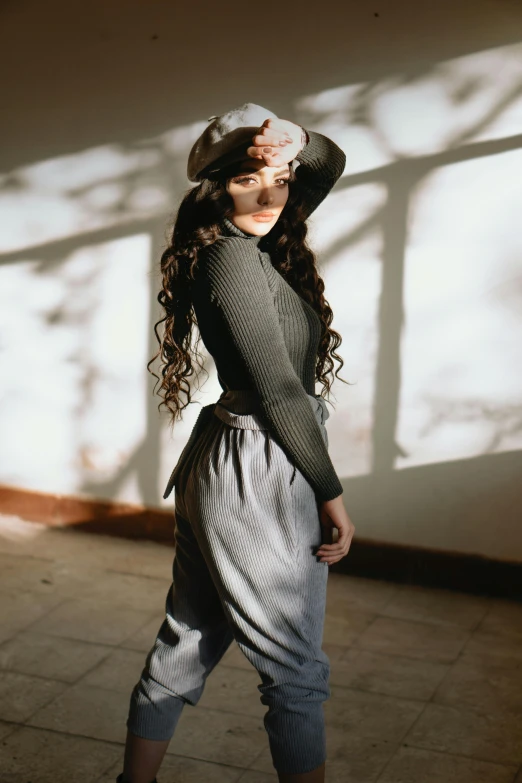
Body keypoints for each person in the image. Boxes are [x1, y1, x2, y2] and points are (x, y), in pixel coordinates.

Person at [116, 103, 356, 783]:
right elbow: (280, 391)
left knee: (185, 640)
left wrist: (298, 142)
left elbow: (329, 164)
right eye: (251, 180)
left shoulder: (239, 241)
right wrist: (332, 494)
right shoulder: (234, 262)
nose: (271, 197)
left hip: (226, 461)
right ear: (217, 186)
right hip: (259, 467)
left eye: (281, 180)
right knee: (295, 670)